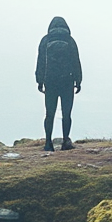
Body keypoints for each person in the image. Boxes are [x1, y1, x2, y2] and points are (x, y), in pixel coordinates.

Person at [36, 16, 82, 152]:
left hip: (50, 81)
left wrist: (39, 81)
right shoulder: (70, 40)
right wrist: (78, 80)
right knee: (66, 114)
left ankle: (48, 142)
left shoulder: (45, 40)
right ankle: (66, 140)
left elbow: (40, 62)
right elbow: (76, 62)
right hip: (67, 81)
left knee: (49, 113)